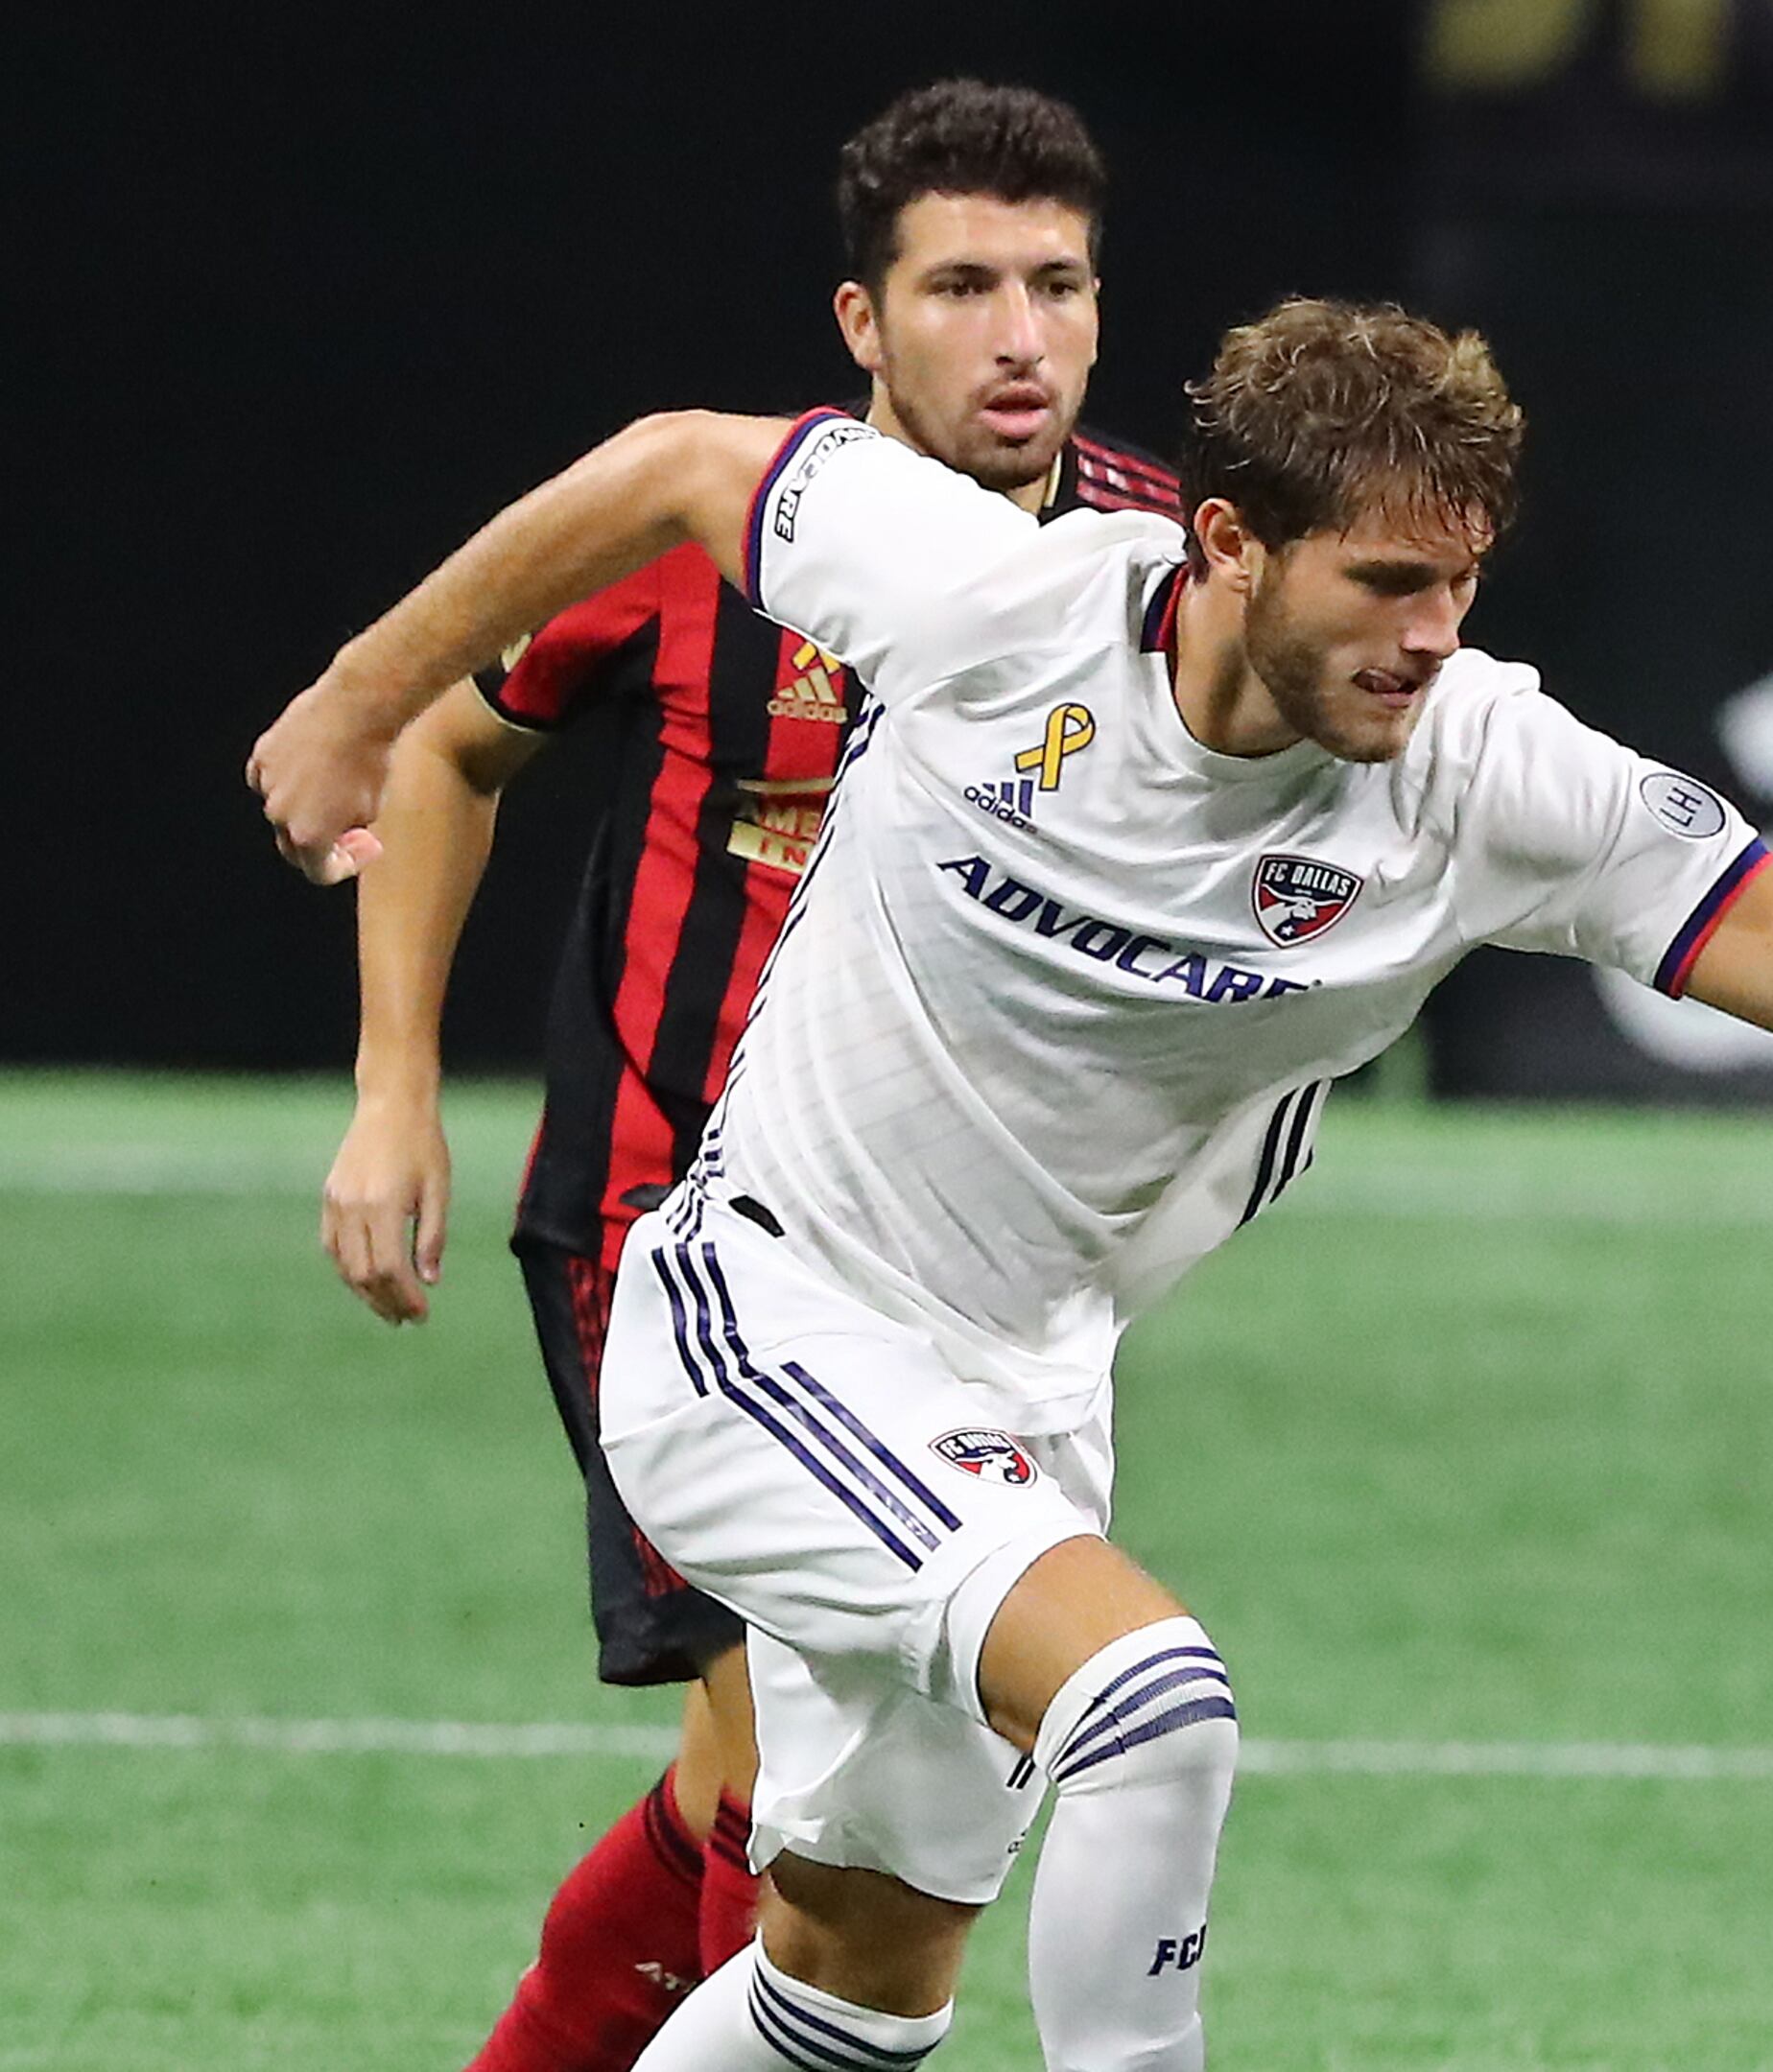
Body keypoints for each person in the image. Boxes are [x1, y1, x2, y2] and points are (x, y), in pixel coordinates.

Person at [248, 296, 1773, 2071]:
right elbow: (674, 463)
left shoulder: (1486, 774)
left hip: (1021, 1395)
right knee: (1151, 1705)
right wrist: (359, 699)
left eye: (1463, 586)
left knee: (858, 1987)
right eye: (1387, 586)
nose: (1435, 637)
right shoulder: (998, 605)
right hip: (758, 1326)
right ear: (1228, 543)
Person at [309, 80, 1175, 2071]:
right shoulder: (726, 530)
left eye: (1057, 283)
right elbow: (446, 749)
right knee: (788, 1746)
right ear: (864, 326)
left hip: (942, 1273)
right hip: (661, 1235)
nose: (1018, 331)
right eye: (961, 285)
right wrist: (391, 1085)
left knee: (793, 1772)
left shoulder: (1148, 571)